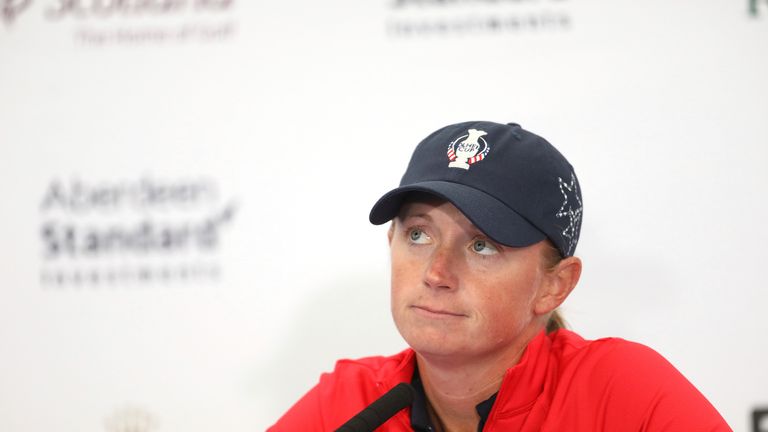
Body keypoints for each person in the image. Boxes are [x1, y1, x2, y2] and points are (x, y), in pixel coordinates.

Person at [268, 121, 731, 431]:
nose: (436, 272)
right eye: (418, 235)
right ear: (390, 243)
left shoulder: (625, 393)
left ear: (555, 285)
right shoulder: (350, 401)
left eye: (481, 245)